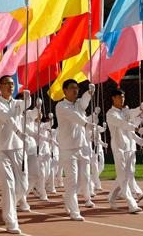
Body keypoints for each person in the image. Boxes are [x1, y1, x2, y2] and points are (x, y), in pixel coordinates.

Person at [0, 75, 30, 235]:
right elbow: (6, 118)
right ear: (0, 86)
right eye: (6, 83)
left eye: (12, 84)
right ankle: (10, 219)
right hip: (2, 149)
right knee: (8, 184)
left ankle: (8, 202)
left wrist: (28, 98)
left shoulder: (18, 103)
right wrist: (19, 132)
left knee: (23, 186)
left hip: (18, 148)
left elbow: (26, 106)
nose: (10, 86)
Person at [55, 79, 96, 221]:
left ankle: (67, 197)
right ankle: (75, 211)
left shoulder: (78, 104)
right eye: (72, 88)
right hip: (68, 149)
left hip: (82, 146)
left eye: (77, 88)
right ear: (64, 91)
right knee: (72, 181)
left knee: (82, 179)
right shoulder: (61, 106)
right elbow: (74, 117)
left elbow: (84, 103)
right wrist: (86, 124)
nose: (75, 91)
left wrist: (89, 93)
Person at [105, 89, 143, 213]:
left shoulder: (125, 111)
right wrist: (137, 129)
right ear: (113, 98)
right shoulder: (111, 113)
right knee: (123, 176)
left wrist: (141, 108)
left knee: (127, 174)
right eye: (119, 97)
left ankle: (111, 196)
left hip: (129, 147)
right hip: (119, 148)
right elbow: (122, 124)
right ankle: (131, 203)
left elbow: (133, 113)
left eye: (123, 96)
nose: (122, 99)